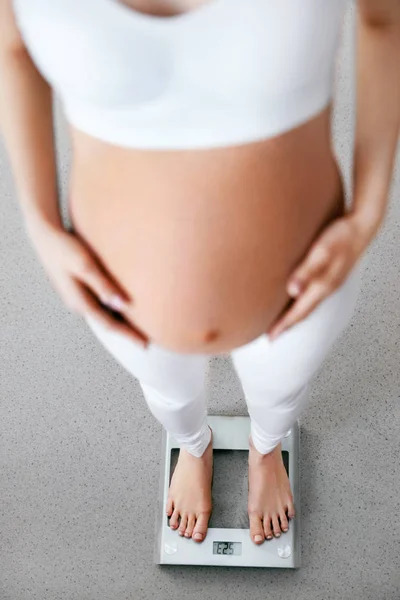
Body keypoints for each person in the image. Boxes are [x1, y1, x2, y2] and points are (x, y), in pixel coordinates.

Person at [1, 0, 399, 547]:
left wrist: (369, 212)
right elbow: (12, 43)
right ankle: (192, 445)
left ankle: (266, 450)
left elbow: (385, 18)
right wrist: (40, 223)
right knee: (166, 392)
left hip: (308, 278)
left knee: (282, 391)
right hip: (115, 290)